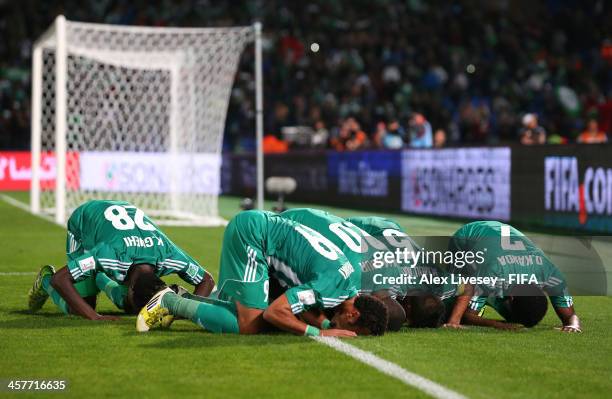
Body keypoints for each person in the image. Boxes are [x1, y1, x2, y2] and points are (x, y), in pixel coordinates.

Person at [136, 210, 388, 336]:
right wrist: (319, 333)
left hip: (264, 229)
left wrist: (323, 322)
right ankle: (170, 302)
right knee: (249, 324)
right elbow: (276, 311)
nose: (347, 334)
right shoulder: (332, 288)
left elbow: (304, 304)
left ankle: (183, 298)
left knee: (244, 311)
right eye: (352, 331)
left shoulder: (347, 284)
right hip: (254, 237)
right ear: (353, 314)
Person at [27, 200, 214, 320]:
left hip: (122, 234)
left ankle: (99, 278)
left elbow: (207, 280)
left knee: (133, 307)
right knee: (81, 308)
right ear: (130, 288)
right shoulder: (110, 256)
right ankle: (43, 281)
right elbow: (60, 279)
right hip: (85, 222)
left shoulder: (169, 256)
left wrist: (187, 313)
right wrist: (94, 317)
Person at [447, 221, 581, 332]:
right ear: (510, 297)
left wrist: (573, 325)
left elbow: (571, 317)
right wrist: (498, 324)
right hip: (468, 236)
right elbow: (466, 316)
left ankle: (481, 299)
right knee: (451, 300)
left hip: (498, 244)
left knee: (484, 289)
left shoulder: (551, 275)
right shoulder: (493, 272)